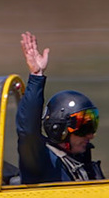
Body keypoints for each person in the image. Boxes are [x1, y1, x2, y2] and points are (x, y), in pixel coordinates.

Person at [17, 31, 104, 183]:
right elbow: (28, 131)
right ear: (59, 129)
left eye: (93, 126)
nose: (90, 136)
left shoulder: (82, 161)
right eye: (84, 129)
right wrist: (36, 76)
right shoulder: (40, 159)